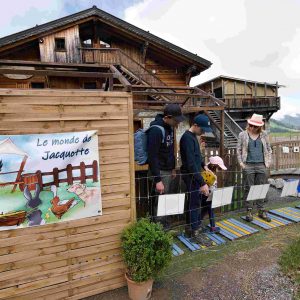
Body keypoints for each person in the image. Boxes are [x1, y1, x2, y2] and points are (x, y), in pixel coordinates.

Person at [147, 103, 185, 223]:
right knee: (159, 200)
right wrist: (158, 180)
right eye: (176, 120)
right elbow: (152, 156)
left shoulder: (169, 128)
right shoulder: (156, 130)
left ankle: (163, 223)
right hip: (159, 171)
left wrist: (173, 167)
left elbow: (169, 150)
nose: (178, 123)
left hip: (167, 170)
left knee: (165, 199)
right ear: (168, 117)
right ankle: (158, 227)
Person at [180, 114, 211, 240]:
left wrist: (204, 165)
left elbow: (196, 156)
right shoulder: (186, 138)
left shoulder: (193, 136)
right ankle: (194, 231)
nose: (203, 132)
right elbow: (191, 163)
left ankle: (191, 226)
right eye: (202, 129)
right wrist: (202, 183)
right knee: (194, 203)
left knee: (193, 201)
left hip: (195, 174)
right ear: (195, 125)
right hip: (191, 175)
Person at [237, 113, 272, 222]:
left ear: (260, 127)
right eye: (251, 125)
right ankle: (249, 211)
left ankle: (261, 210)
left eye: (255, 126)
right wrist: (241, 164)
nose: (252, 128)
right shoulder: (242, 134)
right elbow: (238, 150)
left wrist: (268, 163)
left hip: (262, 165)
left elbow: (269, 149)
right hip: (248, 165)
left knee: (261, 188)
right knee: (249, 188)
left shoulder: (264, 134)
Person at [201, 156, 227, 232]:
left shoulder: (209, 173)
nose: (219, 170)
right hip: (208, 195)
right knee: (210, 211)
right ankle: (213, 227)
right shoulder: (210, 174)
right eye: (218, 168)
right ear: (214, 166)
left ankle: (199, 224)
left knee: (205, 210)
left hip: (208, 195)